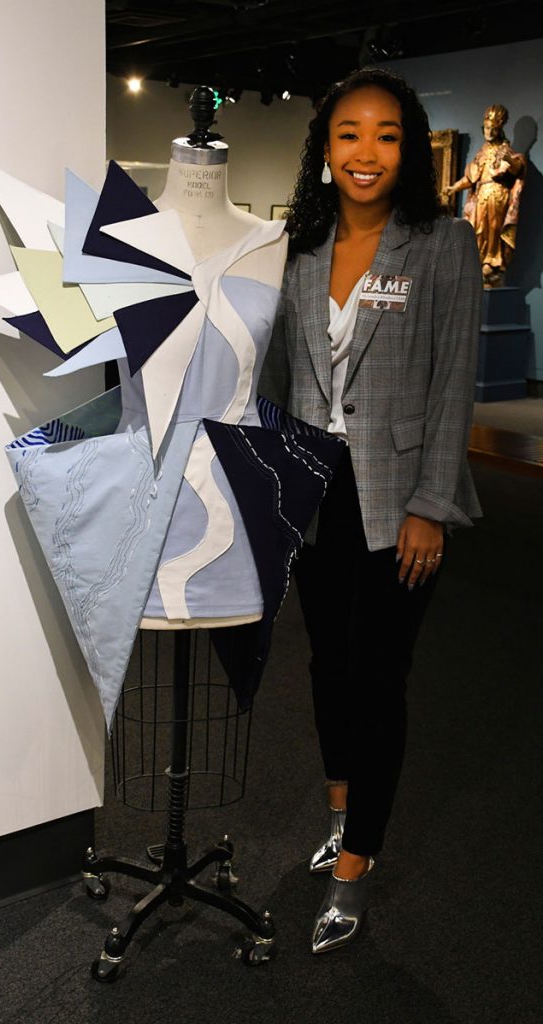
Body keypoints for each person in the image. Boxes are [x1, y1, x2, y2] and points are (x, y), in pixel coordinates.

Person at [259, 66, 483, 953]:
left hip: (400, 503)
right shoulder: (297, 245)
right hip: (314, 491)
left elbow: (454, 386)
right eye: (349, 134)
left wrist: (431, 504)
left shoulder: (441, 243)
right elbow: (278, 378)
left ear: (410, 148)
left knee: (378, 678)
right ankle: (341, 814)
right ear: (325, 148)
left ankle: (357, 866)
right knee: (327, 667)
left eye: (387, 135)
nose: (366, 153)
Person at [444, 104, 526, 288]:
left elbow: (517, 168)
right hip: (481, 196)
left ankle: (492, 264)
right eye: (486, 128)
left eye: (492, 128)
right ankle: (479, 264)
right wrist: (453, 188)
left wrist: (508, 161)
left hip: (497, 196)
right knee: (476, 230)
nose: (488, 132)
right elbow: (470, 178)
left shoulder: (505, 150)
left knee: (494, 230)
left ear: (499, 129)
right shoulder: (482, 152)